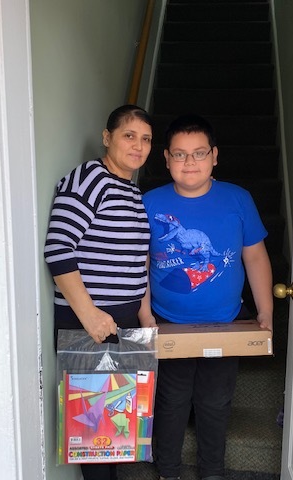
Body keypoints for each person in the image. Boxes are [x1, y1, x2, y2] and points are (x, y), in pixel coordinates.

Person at [139, 114, 273, 480]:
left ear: (214, 155)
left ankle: (211, 471)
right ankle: (167, 470)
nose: (190, 162)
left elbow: (255, 255)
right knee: (172, 400)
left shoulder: (237, 199)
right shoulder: (148, 203)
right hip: (167, 321)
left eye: (199, 153)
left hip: (225, 321)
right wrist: (145, 313)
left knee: (215, 402)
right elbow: (140, 263)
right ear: (166, 159)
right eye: (179, 155)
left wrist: (266, 310)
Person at [44, 104, 153, 480]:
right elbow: (58, 250)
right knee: (93, 431)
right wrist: (90, 315)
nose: (138, 146)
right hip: (90, 320)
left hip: (122, 320)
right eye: (129, 135)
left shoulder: (130, 190)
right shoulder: (88, 179)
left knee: (116, 425)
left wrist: (145, 313)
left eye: (146, 139)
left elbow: (137, 259)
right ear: (107, 138)